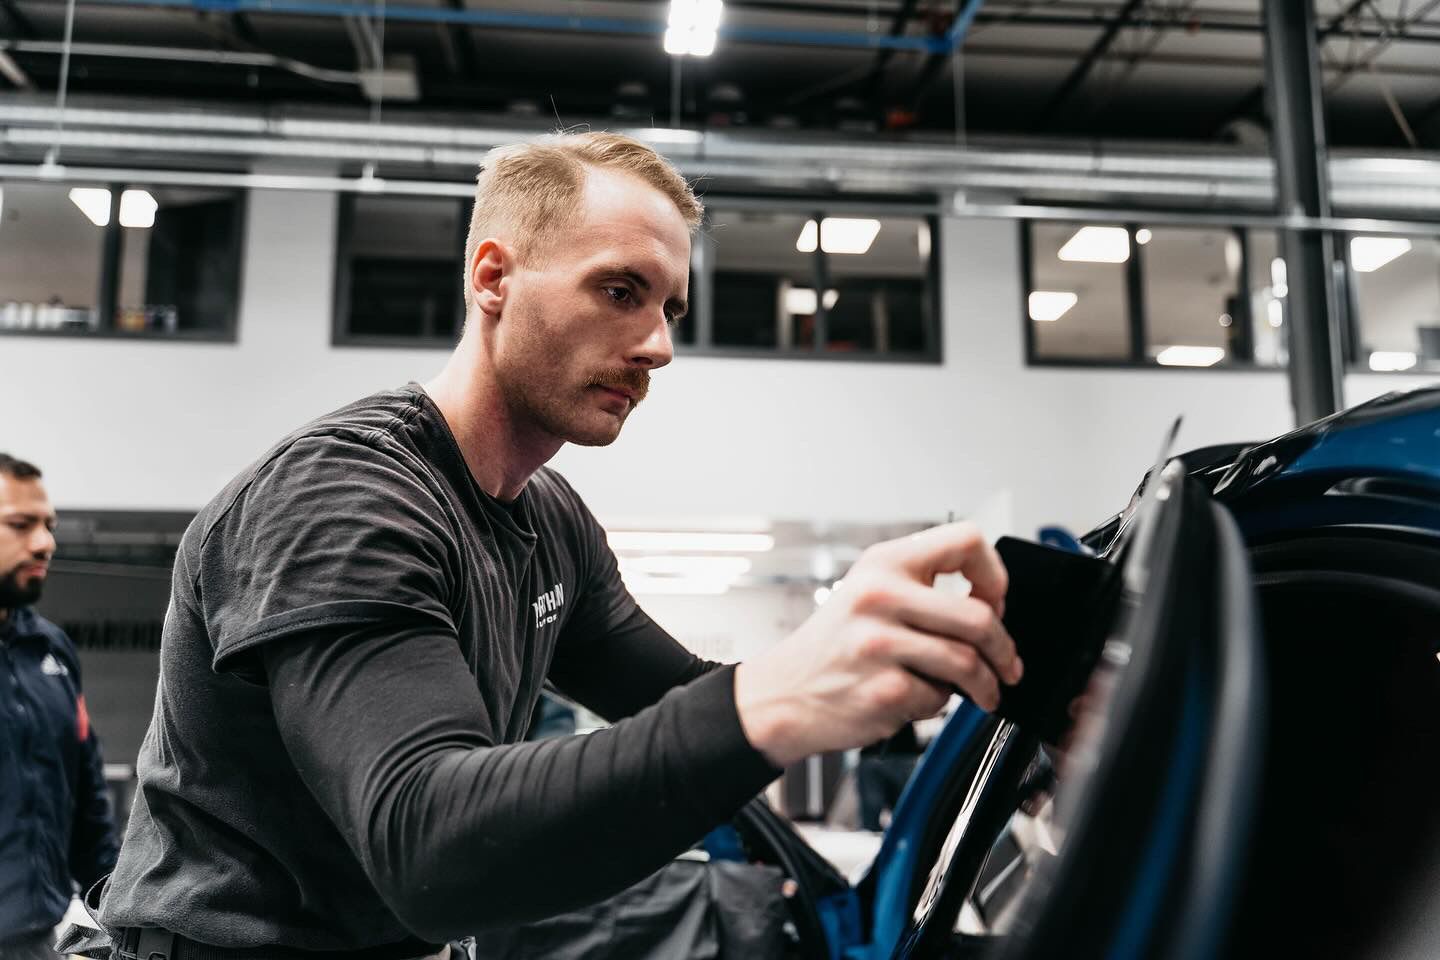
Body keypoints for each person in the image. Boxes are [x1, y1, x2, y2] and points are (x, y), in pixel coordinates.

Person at [94, 132, 1023, 957]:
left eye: (669, 308)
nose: (659, 346)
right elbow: (432, 846)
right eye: (621, 292)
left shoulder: (549, 520)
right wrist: (783, 695)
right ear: (493, 278)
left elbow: (675, 695)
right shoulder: (341, 498)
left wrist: (941, 674)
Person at [0, 454, 119, 960]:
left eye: (48, 525)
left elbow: (88, 802)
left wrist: (117, 914)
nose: (45, 542)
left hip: (35, 941)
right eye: (20, 524)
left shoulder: (51, 649)